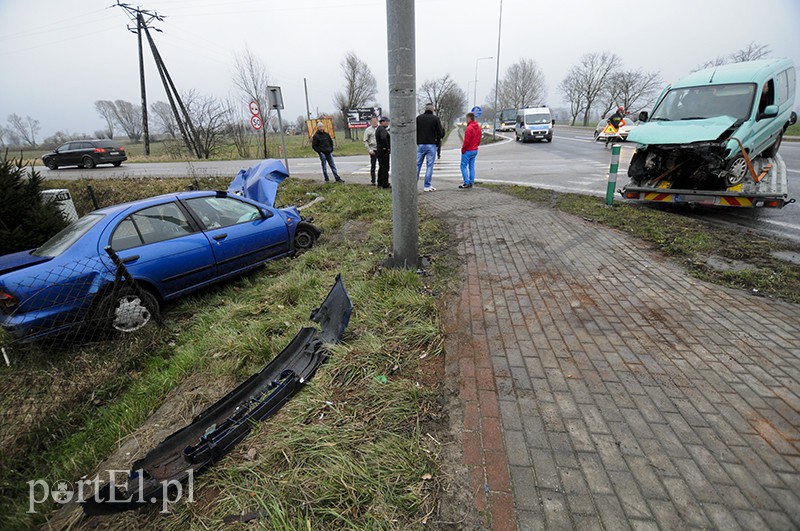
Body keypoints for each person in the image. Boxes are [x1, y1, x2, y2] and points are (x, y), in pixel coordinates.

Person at [416, 103, 445, 192]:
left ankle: (413, 184)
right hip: (431, 144)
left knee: (417, 165)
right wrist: (437, 142)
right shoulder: (435, 119)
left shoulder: (418, 118)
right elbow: (440, 132)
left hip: (420, 144)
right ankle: (427, 186)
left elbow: (414, 130)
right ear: (432, 109)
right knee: (429, 166)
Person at [459, 112, 481, 189]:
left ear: (469, 118)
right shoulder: (478, 127)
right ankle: (471, 181)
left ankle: (466, 182)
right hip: (475, 150)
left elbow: (466, 141)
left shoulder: (469, 128)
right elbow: (479, 139)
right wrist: (476, 146)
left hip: (468, 150)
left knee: (463, 166)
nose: (466, 120)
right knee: (471, 166)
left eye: (466, 119)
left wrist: (463, 149)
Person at [375, 116, 391, 189]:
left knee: (381, 167)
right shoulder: (382, 130)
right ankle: (385, 183)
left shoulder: (379, 129)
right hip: (383, 151)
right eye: (386, 121)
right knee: (385, 168)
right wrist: (386, 148)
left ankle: (380, 182)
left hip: (380, 150)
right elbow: (384, 138)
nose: (388, 123)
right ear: (382, 122)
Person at [363, 115, 379, 185]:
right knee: (373, 166)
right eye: (373, 122)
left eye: (376, 121)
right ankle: (373, 181)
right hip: (373, 149)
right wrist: (369, 150)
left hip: (380, 149)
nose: (375, 123)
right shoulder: (368, 130)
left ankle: (380, 180)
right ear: (371, 122)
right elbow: (365, 141)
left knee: (382, 166)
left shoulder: (379, 128)